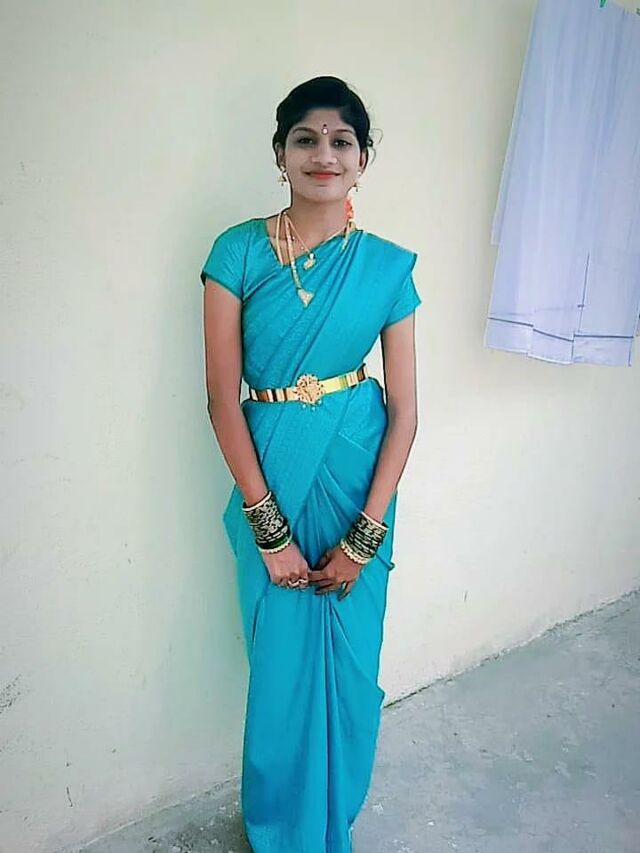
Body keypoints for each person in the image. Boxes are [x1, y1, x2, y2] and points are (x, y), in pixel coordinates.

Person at [200, 76, 422, 852]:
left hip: (359, 472)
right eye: (305, 138)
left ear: (363, 159)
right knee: (282, 669)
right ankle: (281, 831)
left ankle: (336, 818)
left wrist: (366, 534)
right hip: (270, 473)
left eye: (340, 140)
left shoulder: (386, 268)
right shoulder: (236, 251)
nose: (323, 153)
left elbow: (406, 413)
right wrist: (269, 530)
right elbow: (222, 399)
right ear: (280, 154)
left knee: (353, 667)